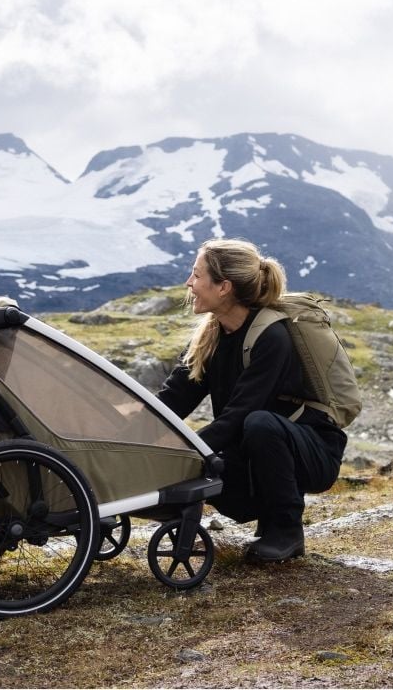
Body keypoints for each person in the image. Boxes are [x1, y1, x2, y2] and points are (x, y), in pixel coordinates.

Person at [156, 238, 347, 562]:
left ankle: (286, 531)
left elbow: (239, 414)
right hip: (255, 449)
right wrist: (129, 431)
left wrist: (185, 455)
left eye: (196, 275)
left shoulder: (272, 337)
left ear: (223, 287)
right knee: (231, 440)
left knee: (258, 423)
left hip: (312, 450)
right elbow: (175, 397)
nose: (189, 283)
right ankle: (262, 515)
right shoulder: (211, 336)